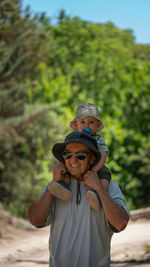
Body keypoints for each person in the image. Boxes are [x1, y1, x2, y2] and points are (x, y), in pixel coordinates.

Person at [28, 131, 130, 267]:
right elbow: (35, 219)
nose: (73, 160)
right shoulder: (54, 188)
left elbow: (120, 223)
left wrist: (99, 189)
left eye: (80, 155)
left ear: (92, 159)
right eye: (68, 155)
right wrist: (51, 187)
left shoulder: (109, 187)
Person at [48, 103, 111, 211]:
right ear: (77, 125)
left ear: (97, 124)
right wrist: (59, 165)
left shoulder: (99, 139)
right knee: (65, 168)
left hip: (96, 165)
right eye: (82, 122)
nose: (86, 125)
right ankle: (64, 187)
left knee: (105, 175)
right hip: (77, 165)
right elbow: (66, 154)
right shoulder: (74, 137)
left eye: (91, 122)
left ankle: (97, 195)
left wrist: (94, 171)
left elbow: (103, 155)